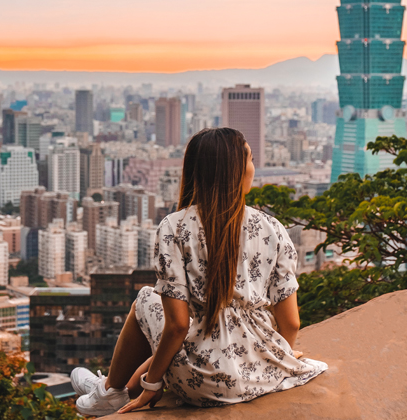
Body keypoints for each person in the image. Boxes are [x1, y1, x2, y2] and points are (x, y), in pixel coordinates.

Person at [70, 127, 328, 416]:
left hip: (200, 382)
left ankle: (108, 392)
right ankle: (108, 390)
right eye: (250, 159)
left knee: (146, 298)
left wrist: (152, 385)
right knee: (197, 328)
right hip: (262, 374)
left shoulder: (175, 226)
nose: (253, 167)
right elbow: (291, 323)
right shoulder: (273, 229)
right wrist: (279, 358)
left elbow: (178, 326)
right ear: (238, 171)